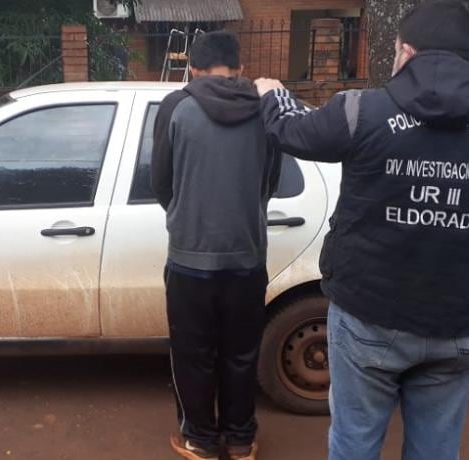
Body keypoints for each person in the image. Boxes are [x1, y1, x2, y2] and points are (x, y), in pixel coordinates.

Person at [253, 1, 469, 459]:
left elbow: (294, 131)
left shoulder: (362, 111)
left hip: (367, 315)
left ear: (405, 51)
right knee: (436, 448)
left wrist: (270, 93)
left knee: (355, 440)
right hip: (458, 321)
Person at [151, 31, 281, 460]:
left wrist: (186, 215)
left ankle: (200, 441)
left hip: (189, 258)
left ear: (192, 68)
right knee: (241, 354)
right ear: (240, 69)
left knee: (193, 354)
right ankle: (241, 440)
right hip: (247, 257)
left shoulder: (175, 106)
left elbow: (161, 183)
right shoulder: (265, 109)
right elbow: (272, 181)